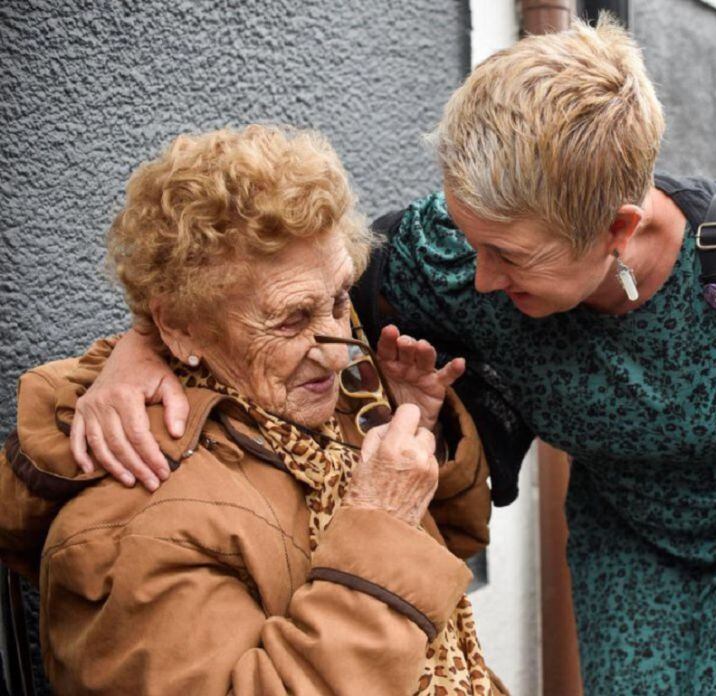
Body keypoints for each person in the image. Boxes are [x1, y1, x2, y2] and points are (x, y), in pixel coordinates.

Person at [67, 19, 716, 694]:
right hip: (629, 530)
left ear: (617, 229)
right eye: (471, 239)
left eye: (510, 256)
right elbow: (248, 284)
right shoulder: (447, 250)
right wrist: (140, 343)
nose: (477, 276)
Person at [0, 125, 502, 695]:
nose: (336, 347)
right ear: (179, 324)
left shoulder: (301, 407)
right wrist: (382, 522)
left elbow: (443, 567)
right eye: (291, 319)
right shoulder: (134, 523)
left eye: (340, 299)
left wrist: (416, 433)